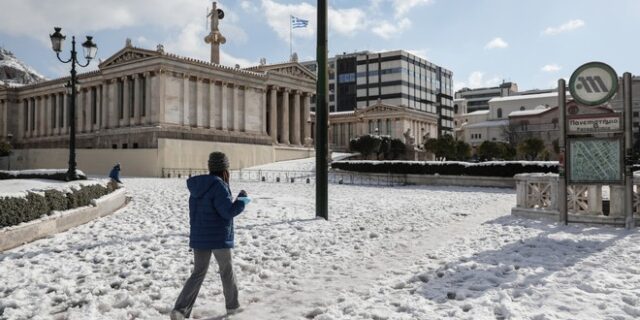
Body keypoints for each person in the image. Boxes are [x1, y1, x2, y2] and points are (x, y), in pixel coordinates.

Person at [171, 152, 251, 320]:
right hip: (218, 237)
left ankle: (180, 310)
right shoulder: (219, 186)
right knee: (226, 271)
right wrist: (241, 201)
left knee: (198, 273)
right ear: (224, 169)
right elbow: (227, 212)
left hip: (200, 237)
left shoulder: (197, 187)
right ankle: (233, 307)